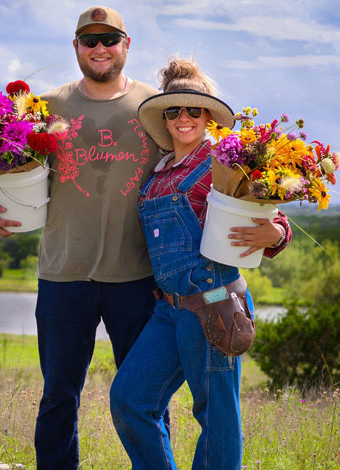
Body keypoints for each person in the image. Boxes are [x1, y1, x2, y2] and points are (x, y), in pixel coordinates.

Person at [0, 6, 162, 469]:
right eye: (89, 40)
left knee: (143, 401)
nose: (100, 48)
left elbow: (193, 170)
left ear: (127, 44)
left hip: (136, 277)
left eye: (109, 39)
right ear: (75, 46)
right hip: (62, 276)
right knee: (58, 397)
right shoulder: (46, 106)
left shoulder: (155, 107)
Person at [109, 59, 291, 470]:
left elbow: (271, 213)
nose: (184, 118)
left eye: (194, 109)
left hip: (214, 304)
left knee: (215, 414)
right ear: (164, 118)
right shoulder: (158, 172)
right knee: (130, 399)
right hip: (168, 310)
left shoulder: (223, 163)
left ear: (208, 115)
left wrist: (276, 234)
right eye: (173, 110)